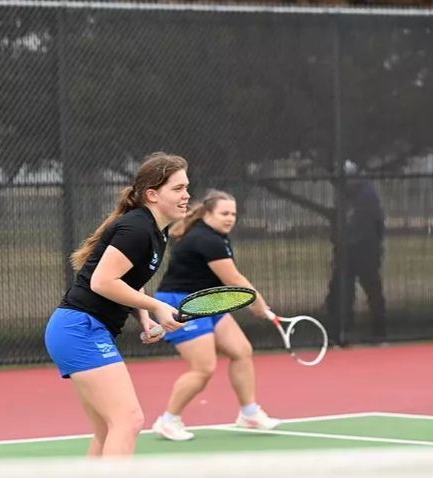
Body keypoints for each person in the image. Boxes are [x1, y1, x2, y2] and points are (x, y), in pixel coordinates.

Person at [45, 152, 191, 457]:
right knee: (128, 420)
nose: (186, 195)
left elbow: (130, 278)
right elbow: (102, 281)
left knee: (107, 429)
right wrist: (156, 306)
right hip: (80, 328)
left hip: (79, 328)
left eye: (186, 188)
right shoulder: (137, 228)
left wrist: (144, 317)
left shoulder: (156, 231)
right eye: (178, 188)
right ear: (152, 194)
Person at [150, 189, 280, 442]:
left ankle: (249, 413)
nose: (230, 218)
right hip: (182, 304)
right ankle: (168, 420)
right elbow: (234, 279)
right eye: (224, 213)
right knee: (204, 368)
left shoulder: (217, 237)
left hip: (207, 300)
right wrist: (258, 304)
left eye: (233, 214)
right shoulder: (206, 239)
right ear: (208, 213)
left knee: (241, 351)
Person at [325, 159, 386, 344]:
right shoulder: (343, 195)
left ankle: (380, 333)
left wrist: (369, 247)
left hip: (365, 251)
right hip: (347, 253)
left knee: (373, 291)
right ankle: (341, 333)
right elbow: (339, 222)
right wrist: (339, 244)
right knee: (341, 293)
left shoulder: (367, 194)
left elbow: (372, 225)